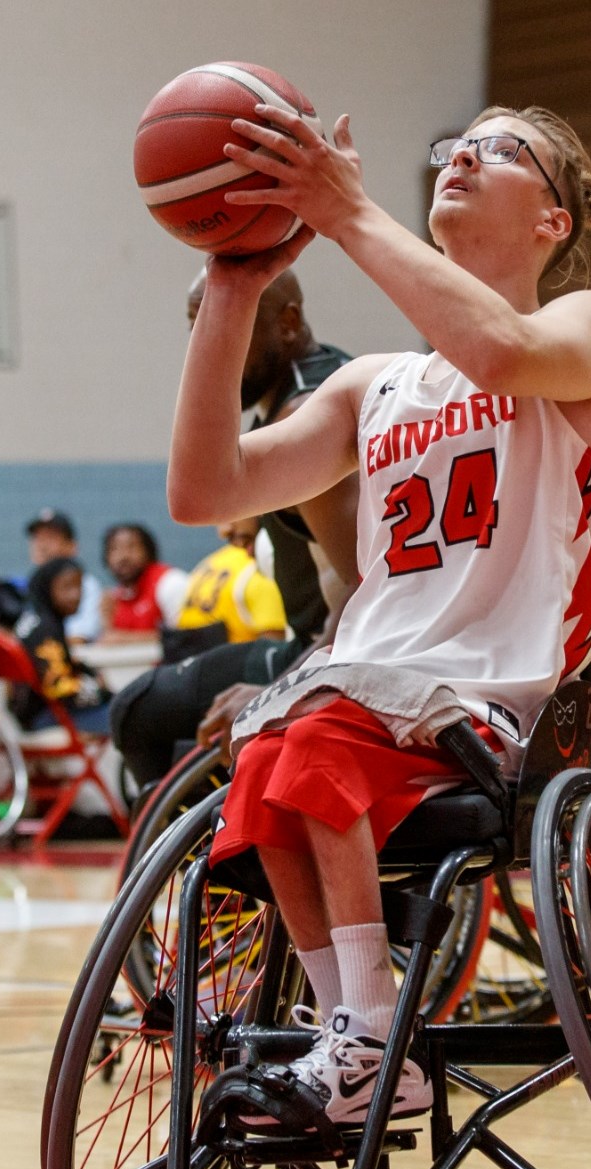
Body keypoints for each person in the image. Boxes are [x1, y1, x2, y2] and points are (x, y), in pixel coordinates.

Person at [167, 99, 591, 1124]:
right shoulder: (376, 386)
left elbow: (501, 353)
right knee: (263, 752)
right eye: (453, 146)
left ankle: (370, 1041)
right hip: (376, 692)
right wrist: (230, 292)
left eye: (500, 148)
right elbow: (204, 490)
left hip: (510, 704)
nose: (462, 154)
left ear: (553, 220)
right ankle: (349, 1035)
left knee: (316, 725)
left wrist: (343, 213)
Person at [109, 267, 358, 789]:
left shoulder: (304, 412)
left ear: (288, 323)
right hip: (328, 644)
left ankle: (242, 863)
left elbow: (374, 586)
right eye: (198, 326)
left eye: (231, 322)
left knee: (139, 710)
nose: (210, 346)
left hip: (340, 655)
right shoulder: (311, 386)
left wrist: (286, 689)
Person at [10, 555, 110, 733]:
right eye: (66, 587)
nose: (75, 595)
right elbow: (58, 687)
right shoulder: (45, 628)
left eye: (79, 587)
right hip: (44, 716)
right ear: (47, 588)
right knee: (131, 717)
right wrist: (101, 690)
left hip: (31, 714)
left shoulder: (32, 618)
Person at [176, 518, 287, 645]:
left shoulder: (208, 563)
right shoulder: (256, 568)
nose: (222, 532)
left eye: (228, 511)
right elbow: (275, 652)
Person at [99, 523, 189, 642]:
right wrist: (107, 624)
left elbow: (188, 638)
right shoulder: (115, 598)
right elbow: (111, 642)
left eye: (131, 547)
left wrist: (125, 639)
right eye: (114, 549)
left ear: (148, 551)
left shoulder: (171, 582)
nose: (123, 556)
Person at [25, 508, 105, 641]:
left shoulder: (86, 585)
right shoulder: (25, 585)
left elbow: (79, 637)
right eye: (37, 538)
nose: (42, 545)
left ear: (72, 546)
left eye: (51, 538)